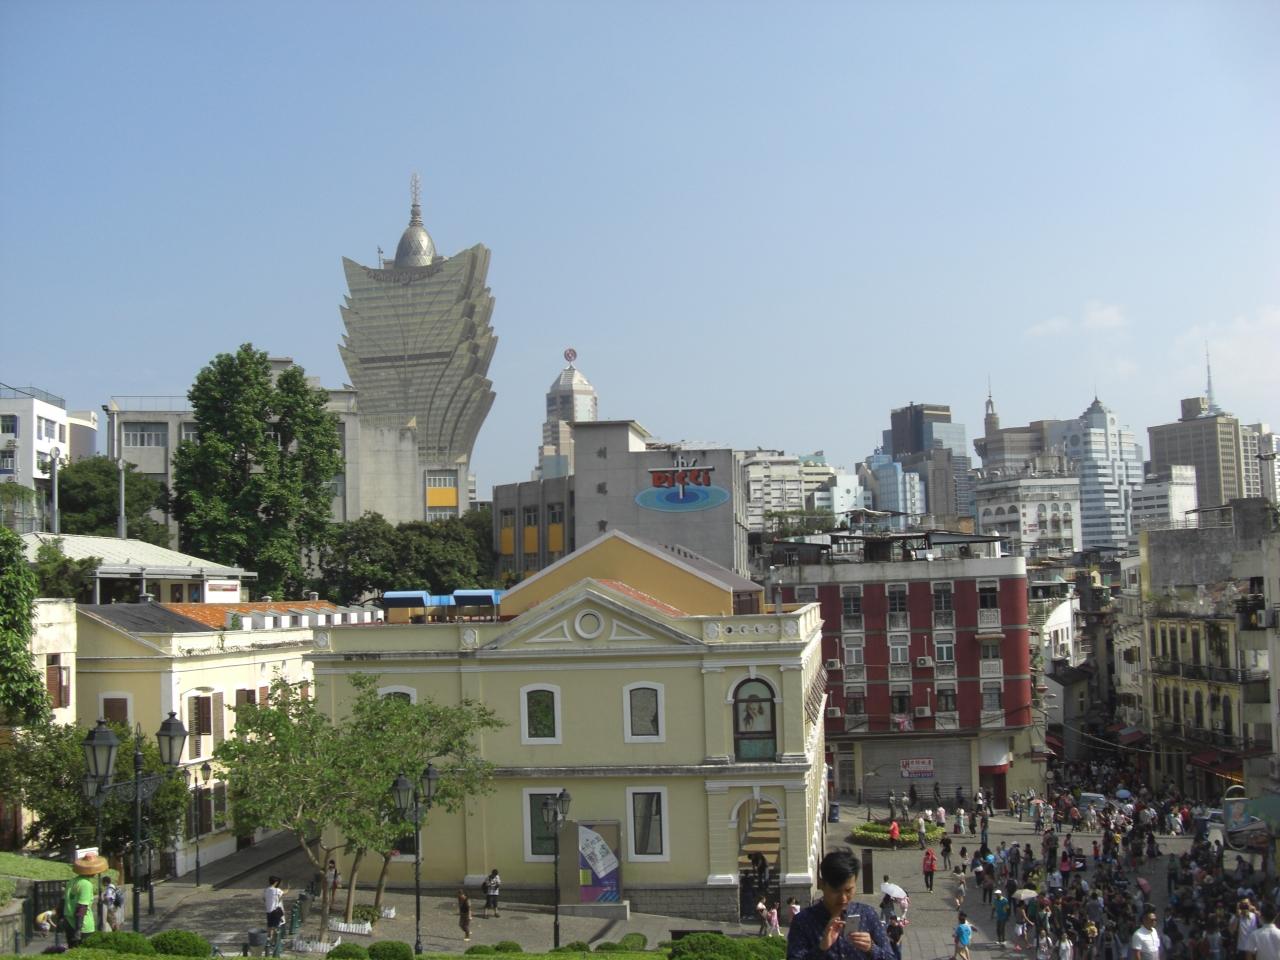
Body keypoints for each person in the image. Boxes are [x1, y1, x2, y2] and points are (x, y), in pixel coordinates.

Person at [786, 850, 893, 960]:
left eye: (848, 890)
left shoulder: (868, 915)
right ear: (822, 885)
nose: (843, 898)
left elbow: (891, 957)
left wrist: (871, 948)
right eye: (836, 891)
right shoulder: (803, 921)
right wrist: (821, 948)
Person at [64, 866, 97, 946]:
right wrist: (78, 930)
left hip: (69, 923)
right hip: (83, 926)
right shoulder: (86, 884)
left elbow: (65, 901)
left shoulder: (71, 881)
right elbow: (82, 907)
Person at [264, 876, 287, 951]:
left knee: (269, 927)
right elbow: (283, 893)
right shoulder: (277, 890)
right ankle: (274, 943)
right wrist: (288, 889)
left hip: (268, 911)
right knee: (276, 927)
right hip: (275, 911)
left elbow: (264, 899)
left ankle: (268, 942)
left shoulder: (266, 890)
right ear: (276, 882)